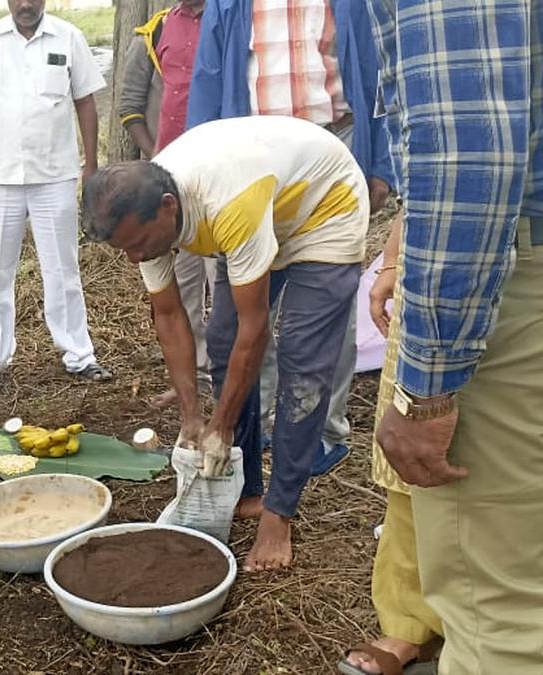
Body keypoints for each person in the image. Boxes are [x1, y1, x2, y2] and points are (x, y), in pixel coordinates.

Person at [81, 115, 369, 572]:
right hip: (265, 209)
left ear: (169, 207)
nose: (134, 257)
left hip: (322, 209)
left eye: (138, 245)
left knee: (301, 362)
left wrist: (222, 424)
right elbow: (171, 317)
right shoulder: (141, 220)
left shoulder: (227, 201)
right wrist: (193, 418)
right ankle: (247, 490)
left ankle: (279, 514)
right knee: (222, 339)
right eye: (124, 250)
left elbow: (256, 330)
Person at [367, 1, 542, 672]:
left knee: (499, 616)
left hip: (510, 277)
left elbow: (470, 149)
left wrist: (426, 392)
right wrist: (397, 250)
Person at [186, 0, 397, 482]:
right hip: (250, 160)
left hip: (334, 149)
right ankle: (252, 423)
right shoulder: (230, 5)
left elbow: (380, 71)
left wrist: (380, 163)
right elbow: (208, 83)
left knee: (328, 300)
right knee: (246, 296)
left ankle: (323, 430)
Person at [0, 0, 112, 383]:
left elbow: (85, 103)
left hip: (54, 174)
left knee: (63, 269)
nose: (25, 4)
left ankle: (79, 354)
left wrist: (91, 165)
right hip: (0, 176)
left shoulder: (69, 37)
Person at [338, 213, 442, 675]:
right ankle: (411, 623)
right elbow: (424, 186)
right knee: (409, 467)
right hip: (430, 278)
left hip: (516, 276)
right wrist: (393, 262)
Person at [118, 0, 215, 404]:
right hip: (167, 190)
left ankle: (235, 382)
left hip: (217, 181)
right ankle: (193, 380)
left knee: (225, 284)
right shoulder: (153, 34)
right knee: (183, 285)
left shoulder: (227, 20)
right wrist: (155, 159)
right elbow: (129, 107)